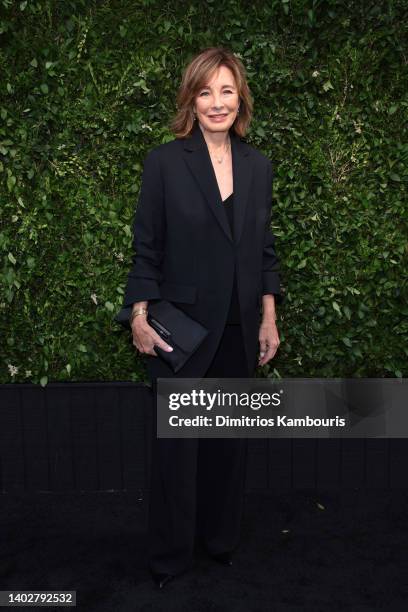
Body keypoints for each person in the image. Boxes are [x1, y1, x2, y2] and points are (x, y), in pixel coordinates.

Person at [121, 46, 284, 588]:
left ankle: (219, 542)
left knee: (226, 447)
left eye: (227, 91)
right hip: (182, 328)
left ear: (241, 100)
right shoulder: (164, 161)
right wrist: (139, 315)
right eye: (206, 91)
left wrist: (269, 317)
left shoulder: (258, 166)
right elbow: (147, 246)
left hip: (240, 327)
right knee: (176, 453)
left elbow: (263, 251)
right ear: (191, 99)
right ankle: (169, 558)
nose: (217, 102)